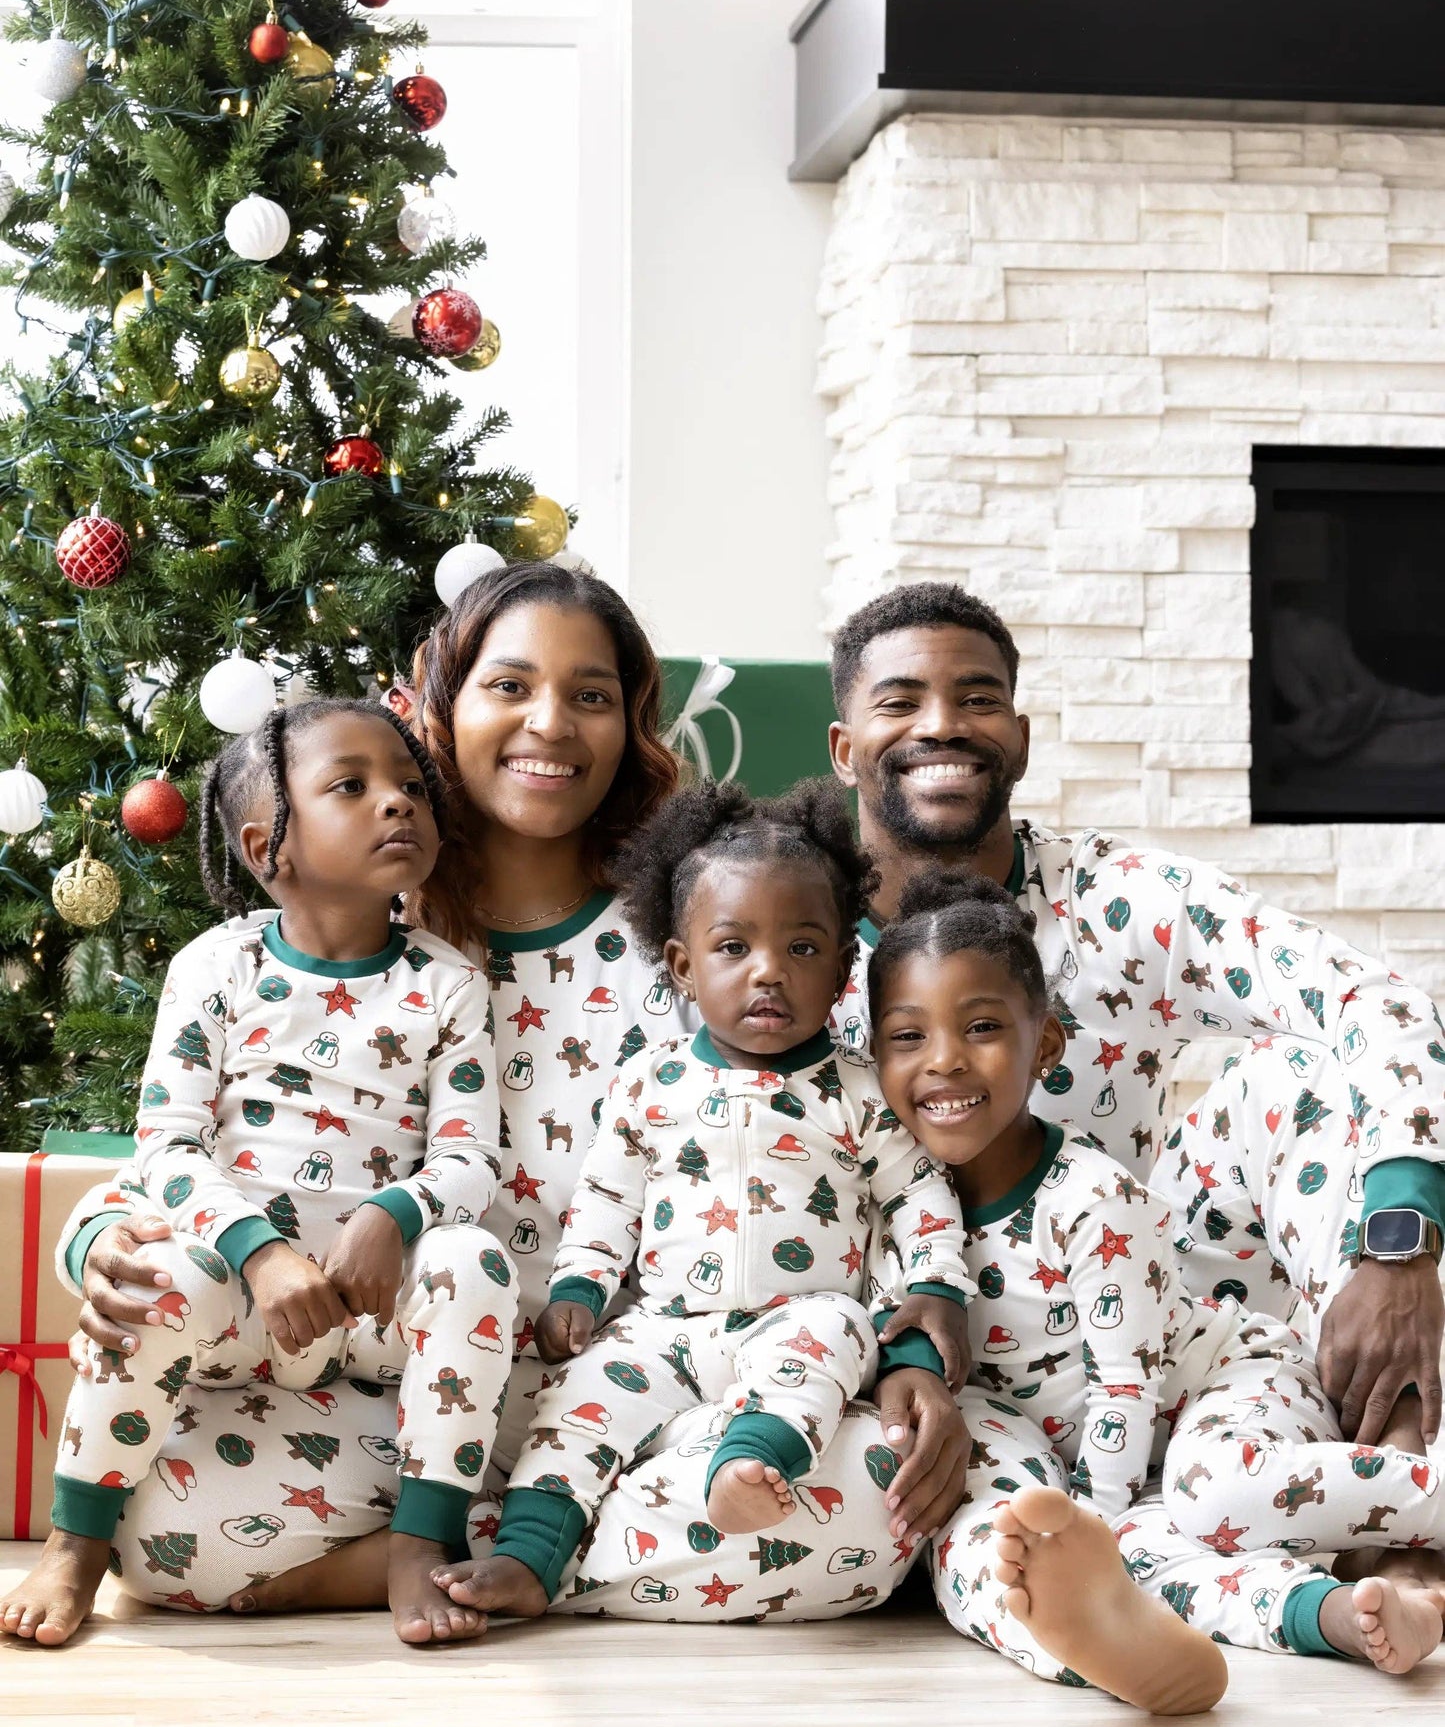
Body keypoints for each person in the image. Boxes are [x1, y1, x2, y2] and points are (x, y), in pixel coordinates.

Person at [6, 567, 969, 1646]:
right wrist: (93, 1244)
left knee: (858, 1504)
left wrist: (912, 1338)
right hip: (397, 1399)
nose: (548, 722)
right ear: (438, 711)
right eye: (508, 684)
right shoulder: (351, 909)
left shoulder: (707, 930)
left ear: (628, 724)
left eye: (590, 694)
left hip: (647, 1391)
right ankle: (519, 1547)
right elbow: (188, 1140)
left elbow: (852, 1139)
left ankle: (501, 1552)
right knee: (162, 1525)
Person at [828, 582, 1445, 1483]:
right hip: (902, 1349)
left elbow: (1374, 1001)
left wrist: (1399, 1243)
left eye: (976, 698)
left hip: (1139, 1320)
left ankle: (1392, 1484)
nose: (942, 725)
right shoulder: (786, 937)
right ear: (845, 751)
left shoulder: (1119, 900)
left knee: (1295, 1075)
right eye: (900, 701)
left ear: (1020, 739)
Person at [5, 697, 518, 1648]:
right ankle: (76, 1541)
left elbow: (469, 1154)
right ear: (266, 845)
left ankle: (419, 1541)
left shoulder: (446, 982)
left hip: (370, 1314)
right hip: (238, 1301)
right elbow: (167, 1145)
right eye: (351, 788)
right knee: (162, 1272)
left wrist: (395, 1216)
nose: (398, 804)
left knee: (475, 1265)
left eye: (410, 786)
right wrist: (260, 1254)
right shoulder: (215, 967)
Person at [868, 870, 1445, 1708]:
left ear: (1047, 1047)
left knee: (1209, 1494)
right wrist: (1086, 1531)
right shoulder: (895, 1202)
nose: (944, 1061)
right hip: (1101, 1464)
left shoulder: (1095, 1200)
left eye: (983, 1028)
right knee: (1015, 1549)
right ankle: (1328, 1619)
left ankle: (1422, 1507)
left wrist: (1097, 1510)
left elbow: (1126, 1384)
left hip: (1206, 1393)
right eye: (907, 1038)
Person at [433, 782, 971, 1622]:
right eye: (732, 948)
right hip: (667, 1326)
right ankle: (529, 1556)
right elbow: (606, 1200)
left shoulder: (858, 1092)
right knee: (577, 1399)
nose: (767, 971)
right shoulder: (649, 1083)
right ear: (682, 965)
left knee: (833, 1327)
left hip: (796, 1319)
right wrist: (579, 1287)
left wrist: (936, 1288)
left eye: (801, 948)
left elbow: (918, 1197)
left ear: (840, 972)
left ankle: (745, 1469)